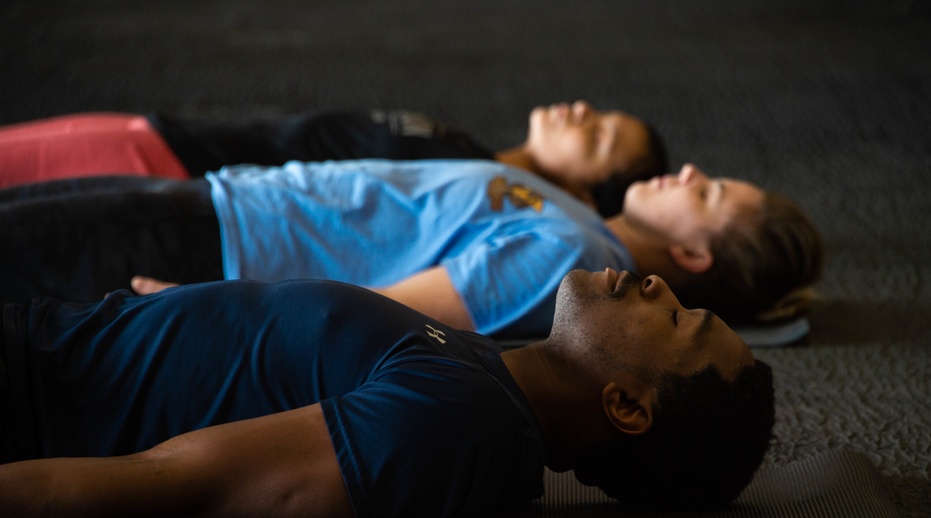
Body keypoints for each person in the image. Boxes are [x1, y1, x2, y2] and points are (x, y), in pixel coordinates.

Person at [0, 268, 775, 518]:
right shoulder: (487, 375)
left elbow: (179, 481)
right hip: (47, 338)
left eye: (675, 317)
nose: (654, 285)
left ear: (627, 408)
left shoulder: (456, 425)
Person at [0, 160, 823, 339]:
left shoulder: (563, 255)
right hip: (212, 203)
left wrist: (197, 310)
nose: (687, 172)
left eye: (707, 193)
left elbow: (380, 313)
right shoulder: (582, 218)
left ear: (694, 257)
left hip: (206, 245)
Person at [0, 101, 668, 217]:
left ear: (584, 195)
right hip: (163, 136)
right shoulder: (465, 149)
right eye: (603, 113)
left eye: (602, 136)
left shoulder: (468, 182)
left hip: (165, 170)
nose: (583, 111)